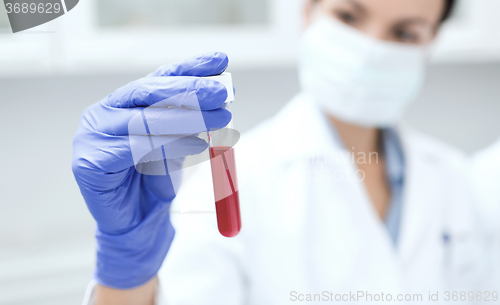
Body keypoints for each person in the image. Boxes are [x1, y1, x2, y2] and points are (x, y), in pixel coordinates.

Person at [72, 0, 494, 304]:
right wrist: (126, 275)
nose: (371, 49)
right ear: (309, 12)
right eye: (349, 15)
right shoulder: (226, 190)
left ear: (431, 39)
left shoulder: (457, 178)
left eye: (404, 32)